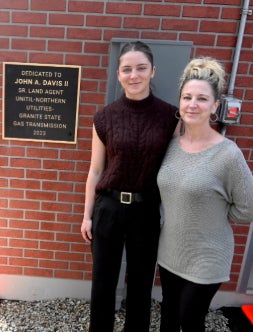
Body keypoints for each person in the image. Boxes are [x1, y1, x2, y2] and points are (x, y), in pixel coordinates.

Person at [81, 40, 179, 332]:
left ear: (152, 71)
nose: (133, 75)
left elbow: (174, 170)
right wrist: (87, 215)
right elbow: (96, 169)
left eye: (141, 68)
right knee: (103, 282)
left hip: (146, 208)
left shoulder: (171, 116)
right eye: (127, 69)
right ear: (118, 74)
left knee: (140, 281)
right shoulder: (104, 117)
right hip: (108, 208)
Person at [157, 57, 253, 332]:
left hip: (207, 257)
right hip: (170, 252)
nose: (193, 104)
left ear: (215, 106)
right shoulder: (172, 144)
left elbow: (248, 208)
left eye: (201, 98)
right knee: (168, 318)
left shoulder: (228, 154)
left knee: (190, 321)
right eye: (187, 97)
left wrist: (217, 213)